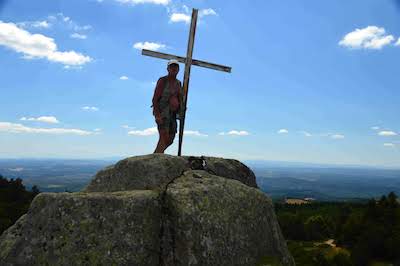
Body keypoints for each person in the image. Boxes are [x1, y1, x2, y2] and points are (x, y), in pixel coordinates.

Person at [152, 59, 183, 153]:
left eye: (176, 67)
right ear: (168, 68)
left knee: (171, 138)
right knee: (164, 136)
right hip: (163, 113)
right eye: (172, 67)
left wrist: (181, 108)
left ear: (178, 69)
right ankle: (156, 158)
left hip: (173, 114)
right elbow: (155, 99)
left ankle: (156, 155)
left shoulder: (178, 83)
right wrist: (157, 115)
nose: (174, 68)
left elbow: (179, 97)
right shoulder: (163, 80)